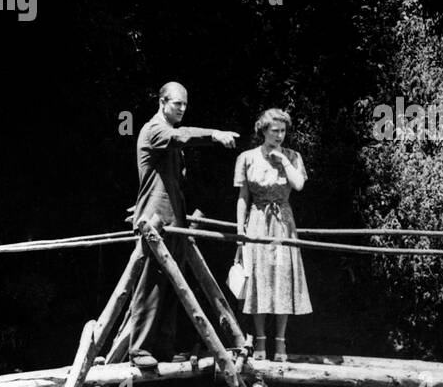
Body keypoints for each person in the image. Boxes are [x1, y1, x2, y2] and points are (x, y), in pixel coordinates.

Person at [125, 82, 238, 369]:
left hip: (175, 218)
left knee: (173, 283)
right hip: (156, 221)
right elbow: (181, 138)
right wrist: (213, 135)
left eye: (185, 105)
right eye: (177, 104)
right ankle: (139, 350)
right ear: (162, 102)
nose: (182, 109)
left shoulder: (168, 134)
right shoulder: (155, 130)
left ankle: (164, 346)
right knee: (151, 283)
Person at [233, 109, 312, 361]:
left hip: (283, 224)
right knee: (259, 278)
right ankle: (259, 341)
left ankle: (280, 343)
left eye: (283, 131)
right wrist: (239, 230)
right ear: (263, 131)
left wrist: (284, 161)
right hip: (257, 221)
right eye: (274, 131)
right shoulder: (247, 157)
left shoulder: (292, 156)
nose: (279, 135)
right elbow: (243, 197)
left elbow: (298, 185)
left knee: (282, 278)